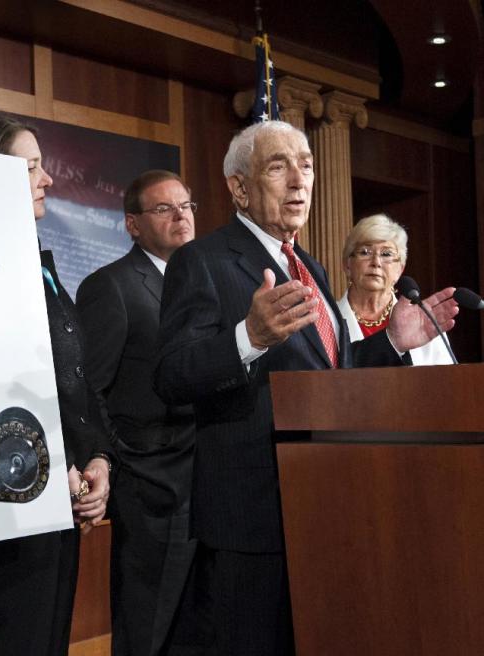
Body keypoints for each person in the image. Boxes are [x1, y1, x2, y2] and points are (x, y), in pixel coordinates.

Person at [152, 120, 458, 656]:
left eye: (308, 165)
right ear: (239, 187)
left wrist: (391, 343)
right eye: (278, 166)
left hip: (319, 509)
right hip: (249, 520)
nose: (299, 180)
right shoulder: (202, 262)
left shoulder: (311, 268)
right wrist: (248, 337)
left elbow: (328, 383)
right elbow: (171, 376)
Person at [0, 110, 114, 656]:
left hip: (58, 504)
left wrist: (98, 460)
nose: (47, 180)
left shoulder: (38, 265)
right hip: (6, 510)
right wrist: (48, 464)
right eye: (32, 167)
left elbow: (74, 384)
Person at [77, 170, 197, 655]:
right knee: (147, 630)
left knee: (195, 628)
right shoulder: (112, 286)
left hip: (205, 480)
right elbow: (91, 391)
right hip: (150, 491)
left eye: (187, 205)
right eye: (164, 208)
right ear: (132, 224)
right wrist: (124, 462)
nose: (181, 216)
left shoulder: (203, 282)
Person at [338, 213, 453, 365]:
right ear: (347, 264)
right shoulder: (327, 320)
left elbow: (446, 381)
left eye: (386, 254)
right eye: (365, 252)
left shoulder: (425, 319)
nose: (376, 262)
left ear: (400, 269)